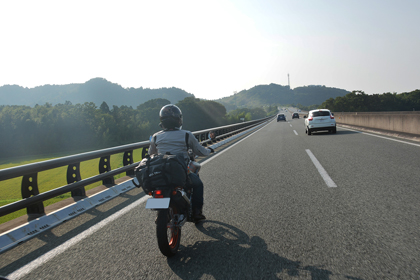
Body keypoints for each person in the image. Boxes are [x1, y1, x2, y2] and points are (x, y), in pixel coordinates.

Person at [148, 104, 214, 221]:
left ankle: (160, 212)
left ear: (161, 120)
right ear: (179, 120)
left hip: (162, 172)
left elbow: (151, 154)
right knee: (198, 184)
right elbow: (199, 150)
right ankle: (196, 212)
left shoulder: (156, 137)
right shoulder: (186, 134)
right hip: (180, 172)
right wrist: (209, 150)